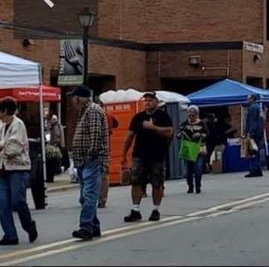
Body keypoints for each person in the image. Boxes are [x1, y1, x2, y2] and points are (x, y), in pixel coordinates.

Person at [120, 92, 174, 223]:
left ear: (156, 101)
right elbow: (130, 136)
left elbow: (170, 132)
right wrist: (124, 154)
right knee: (136, 181)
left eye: (150, 100)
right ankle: (135, 210)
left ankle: (155, 210)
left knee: (157, 182)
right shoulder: (138, 117)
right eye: (146, 100)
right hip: (139, 154)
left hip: (157, 154)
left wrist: (154, 127)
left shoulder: (163, 116)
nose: (148, 103)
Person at [69, 86, 108, 241]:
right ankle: (94, 226)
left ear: (79, 98)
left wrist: (91, 153)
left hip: (91, 159)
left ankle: (86, 226)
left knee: (89, 194)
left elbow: (95, 135)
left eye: (73, 97)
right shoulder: (84, 111)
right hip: (84, 160)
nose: (72, 101)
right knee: (87, 195)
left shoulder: (92, 110)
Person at [0, 98, 38, 245]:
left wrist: (3, 146)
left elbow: (12, 150)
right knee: (2, 203)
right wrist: (4, 144)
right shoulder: (2, 126)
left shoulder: (18, 125)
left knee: (17, 201)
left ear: (4, 111)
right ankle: (10, 235)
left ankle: (29, 226)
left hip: (18, 169)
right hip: (2, 170)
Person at [178, 105, 208, 194]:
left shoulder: (201, 124)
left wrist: (200, 135)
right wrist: (179, 135)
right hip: (187, 149)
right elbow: (179, 134)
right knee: (188, 170)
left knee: (198, 169)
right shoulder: (184, 124)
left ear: (197, 115)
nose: (191, 117)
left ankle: (198, 186)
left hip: (199, 149)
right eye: (189, 115)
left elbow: (208, 135)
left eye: (193, 115)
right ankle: (190, 187)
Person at [242, 94, 265, 177]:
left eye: (248, 98)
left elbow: (252, 121)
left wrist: (250, 132)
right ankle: (257, 168)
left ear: (252, 99)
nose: (247, 100)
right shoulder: (258, 107)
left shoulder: (252, 108)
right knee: (256, 150)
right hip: (258, 132)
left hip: (254, 132)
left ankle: (254, 169)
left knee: (252, 150)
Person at [44, 114, 65, 183]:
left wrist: (54, 145)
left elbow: (57, 137)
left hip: (55, 146)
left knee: (53, 162)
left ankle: (56, 171)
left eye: (51, 120)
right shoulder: (56, 126)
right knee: (54, 162)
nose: (50, 121)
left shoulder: (56, 127)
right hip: (56, 146)